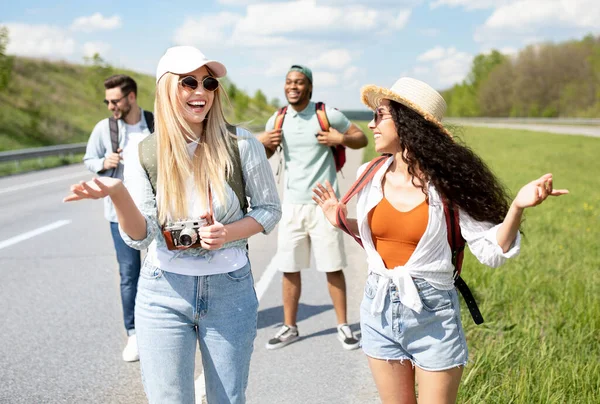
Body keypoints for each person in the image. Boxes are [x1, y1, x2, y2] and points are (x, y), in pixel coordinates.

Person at [312, 77, 568, 403]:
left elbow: (492, 251)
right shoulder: (372, 175)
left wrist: (516, 206)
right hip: (377, 310)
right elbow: (382, 236)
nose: (371, 124)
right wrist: (337, 217)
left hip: (432, 315)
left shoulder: (447, 186)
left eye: (380, 115)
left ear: (408, 123)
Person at [66, 46, 281, 403]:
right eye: (189, 82)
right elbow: (143, 236)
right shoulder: (144, 151)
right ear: (167, 88)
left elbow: (269, 210)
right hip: (162, 291)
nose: (201, 91)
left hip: (230, 290)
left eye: (209, 83)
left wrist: (228, 233)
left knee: (228, 399)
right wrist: (118, 194)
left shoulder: (242, 144)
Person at [258, 65, 369, 350]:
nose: (292, 86)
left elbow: (361, 138)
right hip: (293, 205)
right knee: (289, 267)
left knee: (332, 266)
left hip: (324, 205)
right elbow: (268, 153)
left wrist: (340, 138)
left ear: (309, 87)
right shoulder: (278, 118)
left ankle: (343, 327)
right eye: (288, 82)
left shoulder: (326, 114)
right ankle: (289, 327)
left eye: (299, 82)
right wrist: (265, 144)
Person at [83, 74, 154, 362]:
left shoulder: (154, 124)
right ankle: (135, 333)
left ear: (131, 97)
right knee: (129, 274)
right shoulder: (105, 128)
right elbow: (90, 159)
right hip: (119, 215)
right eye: (108, 101)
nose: (111, 106)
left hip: (157, 211)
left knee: (164, 269)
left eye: (115, 101)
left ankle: (165, 325)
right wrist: (104, 162)